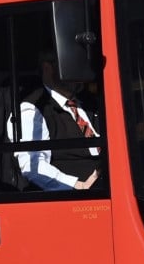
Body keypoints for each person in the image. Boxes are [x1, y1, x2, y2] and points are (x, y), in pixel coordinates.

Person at [9, 55, 102, 190]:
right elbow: (33, 166)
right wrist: (77, 185)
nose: (79, 72)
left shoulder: (89, 102)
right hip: (76, 200)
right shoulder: (32, 109)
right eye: (72, 65)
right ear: (48, 68)